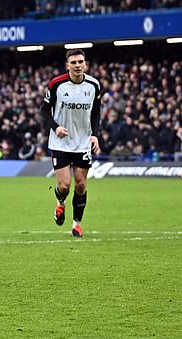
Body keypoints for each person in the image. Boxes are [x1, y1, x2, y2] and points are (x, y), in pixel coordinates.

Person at [41, 49, 101, 238]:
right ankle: (61, 203)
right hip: (60, 142)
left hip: (83, 142)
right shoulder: (57, 84)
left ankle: (76, 224)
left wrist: (95, 135)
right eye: (73, 62)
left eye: (80, 62)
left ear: (85, 64)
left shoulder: (94, 85)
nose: (77, 65)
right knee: (65, 185)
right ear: (67, 65)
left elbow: (96, 112)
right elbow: (44, 110)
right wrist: (55, 127)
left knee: (81, 185)